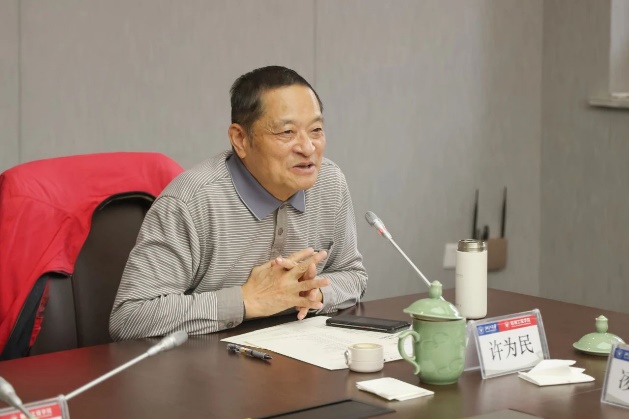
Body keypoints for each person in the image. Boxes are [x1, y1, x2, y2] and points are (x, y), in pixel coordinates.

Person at [110, 66, 367, 340]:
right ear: (240, 139)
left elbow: (353, 275)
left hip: (296, 353)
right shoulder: (189, 202)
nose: (308, 148)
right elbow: (130, 318)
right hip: (207, 360)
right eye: (287, 132)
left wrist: (312, 291)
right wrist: (246, 300)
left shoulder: (330, 183)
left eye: (316, 130)